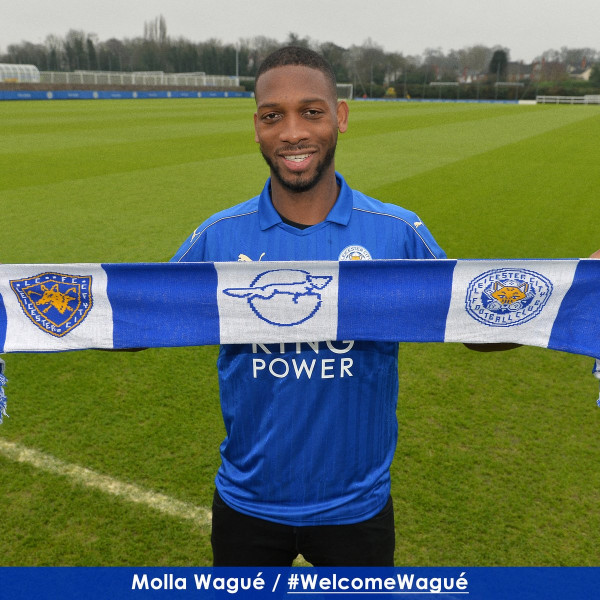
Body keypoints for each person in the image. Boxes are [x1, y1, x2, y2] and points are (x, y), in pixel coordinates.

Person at [172, 46, 597, 566]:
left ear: (340, 116)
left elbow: (473, 325)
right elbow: (139, 316)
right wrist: (77, 305)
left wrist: (581, 285)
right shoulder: (218, 236)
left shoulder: (397, 232)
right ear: (256, 127)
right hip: (247, 506)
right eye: (272, 116)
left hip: (358, 512)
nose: (292, 133)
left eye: (311, 112)